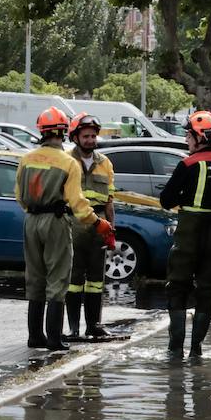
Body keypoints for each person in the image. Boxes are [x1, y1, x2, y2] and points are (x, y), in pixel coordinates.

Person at [15, 108, 115, 351]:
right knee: (59, 280)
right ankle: (54, 339)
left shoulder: (27, 159)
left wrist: (34, 210)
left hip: (31, 221)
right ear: (64, 132)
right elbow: (77, 203)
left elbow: (18, 195)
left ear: (42, 131)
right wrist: (98, 222)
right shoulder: (67, 162)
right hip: (56, 221)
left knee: (35, 279)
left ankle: (34, 337)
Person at [160, 111, 211, 358]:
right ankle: (196, 350)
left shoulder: (187, 165)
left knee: (177, 288)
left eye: (188, 135)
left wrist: (184, 198)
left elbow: (166, 200)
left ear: (199, 136)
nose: (186, 140)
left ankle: (175, 350)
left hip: (189, 239)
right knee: (207, 292)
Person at [64, 114, 116, 340]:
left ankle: (93, 325)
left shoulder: (105, 163)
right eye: (85, 136)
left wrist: (111, 230)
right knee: (73, 280)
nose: (90, 140)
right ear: (75, 137)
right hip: (73, 223)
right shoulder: (65, 160)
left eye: (93, 136)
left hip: (99, 225)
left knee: (96, 280)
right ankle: (74, 329)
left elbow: (110, 201)